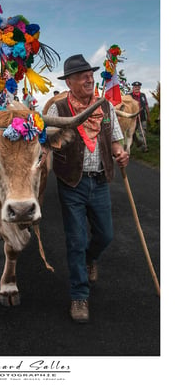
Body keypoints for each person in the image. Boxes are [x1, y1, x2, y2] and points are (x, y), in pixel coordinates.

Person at [47, 54, 129, 323]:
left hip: (100, 180)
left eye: (90, 74)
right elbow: (44, 140)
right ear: (69, 82)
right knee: (76, 240)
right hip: (72, 182)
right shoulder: (57, 109)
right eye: (82, 75)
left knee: (105, 235)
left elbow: (115, 141)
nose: (89, 78)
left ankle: (90, 259)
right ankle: (79, 296)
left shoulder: (105, 107)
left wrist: (120, 153)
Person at [129, 81, 150, 152]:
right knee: (131, 133)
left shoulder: (143, 95)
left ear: (140, 87)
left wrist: (148, 116)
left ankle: (144, 147)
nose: (137, 88)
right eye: (135, 87)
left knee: (142, 132)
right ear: (133, 88)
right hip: (133, 118)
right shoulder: (129, 96)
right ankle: (131, 146)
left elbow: (146, 105)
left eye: (138, 87)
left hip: (142, 116)